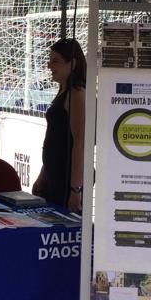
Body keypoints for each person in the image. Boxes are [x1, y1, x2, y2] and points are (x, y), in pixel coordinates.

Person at [32, 39, 86, 214]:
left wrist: (75, 190)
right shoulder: (63, 91)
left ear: (73, 64)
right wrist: (43, 173)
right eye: (49, 60)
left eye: (55, 61)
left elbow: (80, 144)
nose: (49, 66)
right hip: (54, 176)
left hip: (66, 180)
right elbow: (53, 140)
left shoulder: (76, 94)